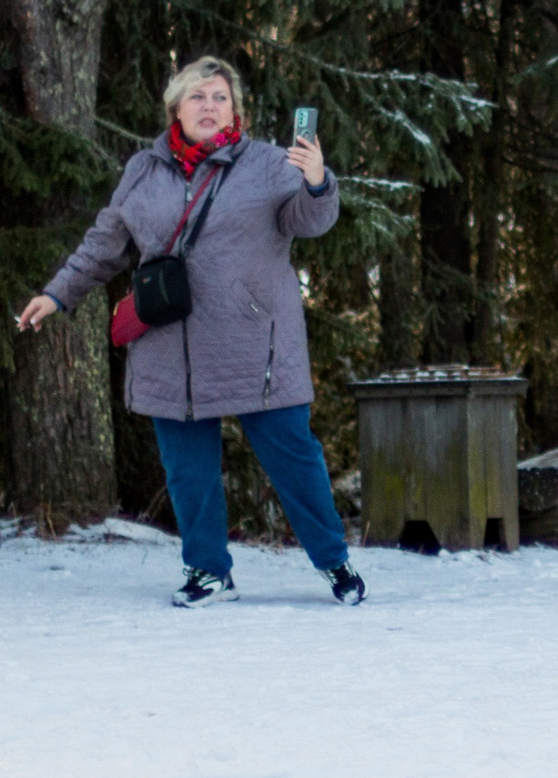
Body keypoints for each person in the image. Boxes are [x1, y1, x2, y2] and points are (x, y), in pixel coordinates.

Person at [18, 57, 366, 609]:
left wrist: (319, 181)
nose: (209, 106)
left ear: (236, 110)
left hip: (255, 342)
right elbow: (105, 242)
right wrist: (58, 293)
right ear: (175, 108)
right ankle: (208, 571)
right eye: (197, 96)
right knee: (188, 472)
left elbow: (311, 221)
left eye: (220, 97)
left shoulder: (273, 164)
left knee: (294, 459)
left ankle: (335, 563)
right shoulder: (143, 170)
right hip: (169, 343)